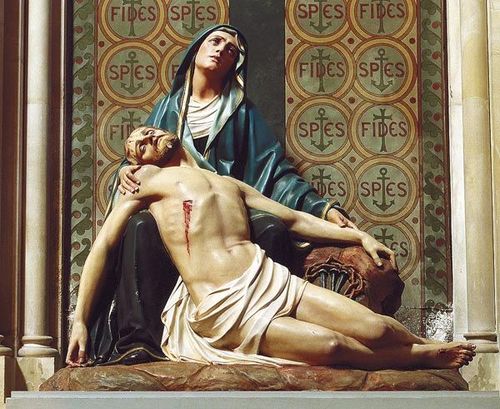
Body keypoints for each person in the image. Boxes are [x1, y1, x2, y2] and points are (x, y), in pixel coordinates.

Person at [66, 127, 475, 369]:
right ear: (136, 164)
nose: (147, 137)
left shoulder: (229, 184)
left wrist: (360, 236)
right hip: (224, 306)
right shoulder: (146, 183)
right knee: (331, 346)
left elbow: (294, 219)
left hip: (270, 279)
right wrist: (81, 320)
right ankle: (416, 358)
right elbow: (104, 245)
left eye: (147, 131)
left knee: (376, 327)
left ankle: (425, 345)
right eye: (138, 145)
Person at [90, 25, 365, 365]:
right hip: (176, 213)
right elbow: (137, 155)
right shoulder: (168, 109)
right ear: (195, 51)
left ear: (235, 64)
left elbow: (275, 169)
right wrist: (124, 170)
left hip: (229, 206)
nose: (222, 50)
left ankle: (272, 327)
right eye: (215, 42)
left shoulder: (241, 112)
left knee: (272, 228)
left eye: (231, 49)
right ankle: (140, 339)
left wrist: (322, 209)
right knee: (140, 227)